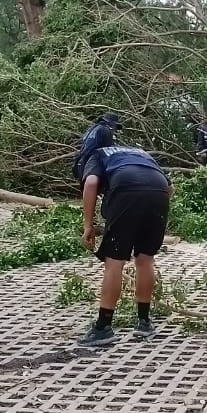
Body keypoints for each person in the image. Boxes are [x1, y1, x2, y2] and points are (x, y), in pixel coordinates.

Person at [76, 144, 173, 347]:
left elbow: (92, 183)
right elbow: (170, 187)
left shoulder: (95, 155)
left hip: (127, 191)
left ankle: (103, 327)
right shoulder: (140, 152)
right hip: (159, 191)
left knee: (115, 261)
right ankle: (144, 322)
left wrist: (88, 225)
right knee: (145, 259)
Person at [75, 112, 121, 180]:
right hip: (93, 165)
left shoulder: (92, 129)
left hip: (82, 163)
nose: (115, 130)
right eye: (115, 127)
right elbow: (108, 152)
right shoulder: (105, 130)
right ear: (112, 124)